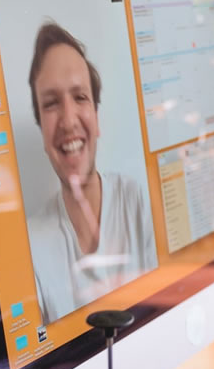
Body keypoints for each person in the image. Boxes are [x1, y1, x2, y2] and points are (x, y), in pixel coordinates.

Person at [25, 21, 156, 324]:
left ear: (97, 119)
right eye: (52, 103)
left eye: (80, 97)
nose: (68, 120)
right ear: (42, 131)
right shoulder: (30, 246)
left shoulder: (138, 200)